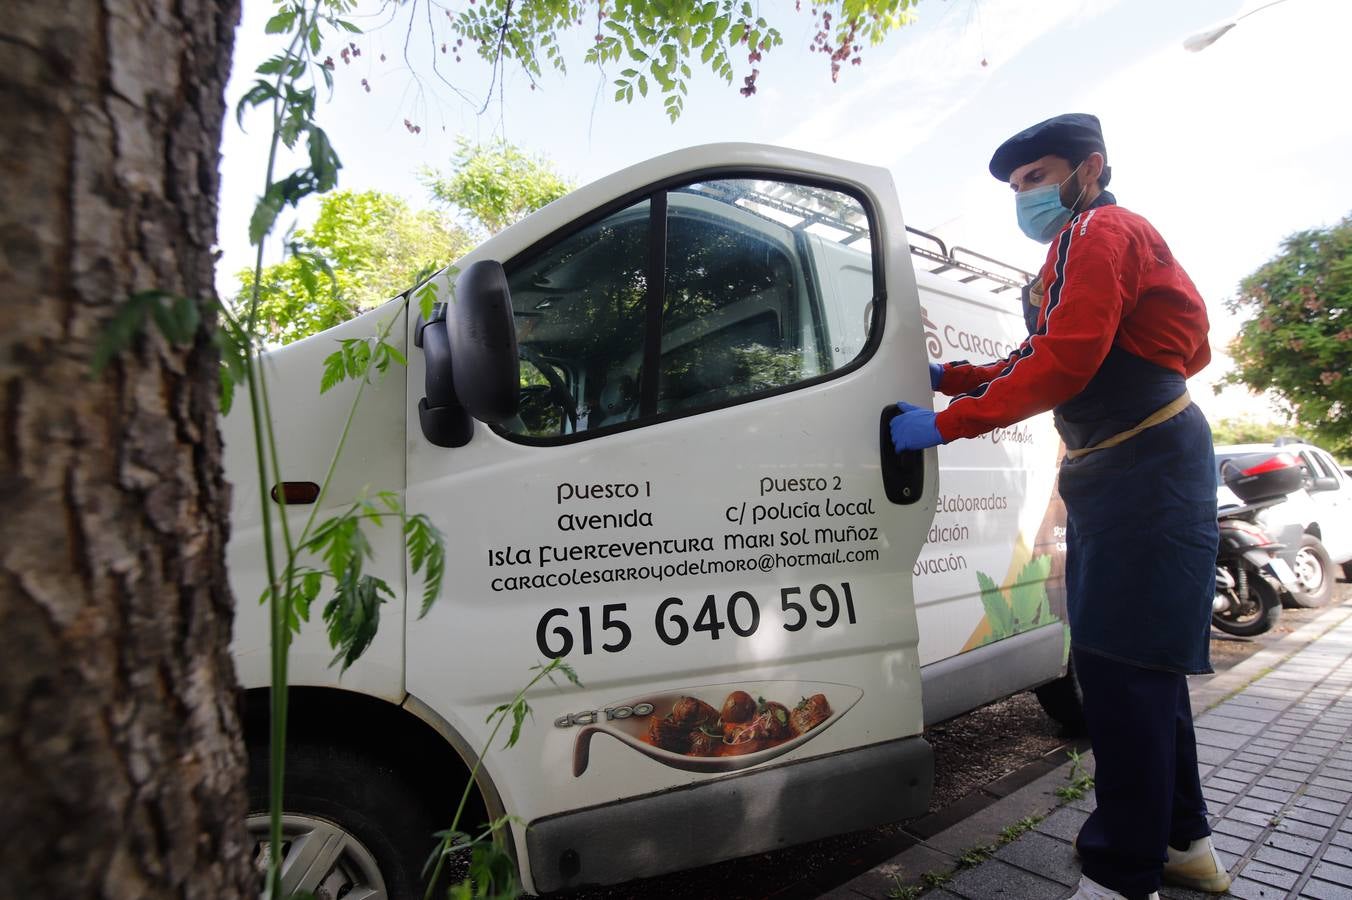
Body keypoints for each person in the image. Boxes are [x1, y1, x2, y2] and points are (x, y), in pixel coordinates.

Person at [889, 113, 1231, 900]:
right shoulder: (1063, 257)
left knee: (1121, 677)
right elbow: (1034, 354)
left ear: (1090, 168)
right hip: (1122, 473)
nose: (1025, 195)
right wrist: (953, 376)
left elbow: (1069, 361)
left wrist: (945, 423)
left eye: (1036, 177)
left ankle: (1120, 873)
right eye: (1016, 187)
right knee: (1144, 672)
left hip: (1145, 469)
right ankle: (1184, 843)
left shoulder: (1104, 231)